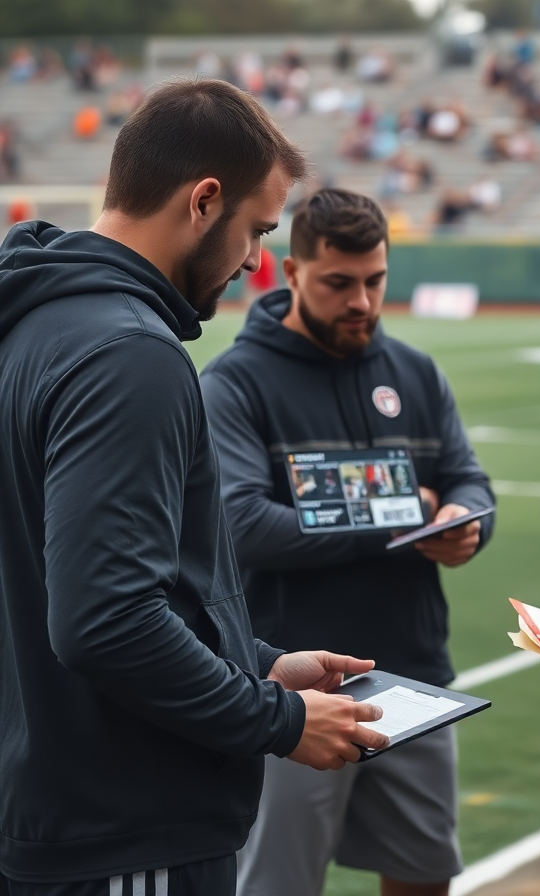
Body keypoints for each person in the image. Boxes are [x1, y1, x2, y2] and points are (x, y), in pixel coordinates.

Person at [0, 79, 389, 896]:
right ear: (204, 201)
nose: (255, 260)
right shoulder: (126, 353)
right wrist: (275, 720)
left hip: (53, 800)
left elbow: (76, 579)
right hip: (123, 824)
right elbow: (105, 619)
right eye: (256, 229)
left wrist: (255, 665)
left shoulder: (35, 322)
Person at [200, 188, 495, 896]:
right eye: (338, 283)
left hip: (415, 674)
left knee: (425, 874)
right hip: (288, 684)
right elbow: (244, 526)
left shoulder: (417, 372)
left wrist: (467, 525)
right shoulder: (235, 384)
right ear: (291, 273)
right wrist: (400, 520)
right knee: (278, 883)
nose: (361, 300)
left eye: (375, 281)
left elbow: (470, 482)